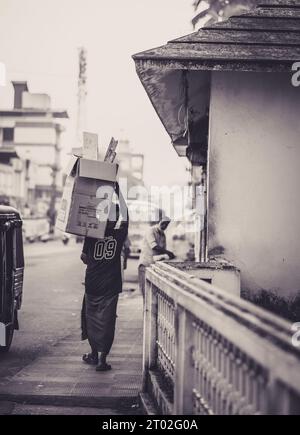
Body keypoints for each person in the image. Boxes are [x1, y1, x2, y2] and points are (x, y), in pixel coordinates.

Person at [80, 184, 128, 372]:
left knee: (90, 319)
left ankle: (93, 353)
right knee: (107, 321)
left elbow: (84, 258)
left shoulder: (91, 235)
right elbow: (127, 216)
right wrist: (118, 191)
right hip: (110, 285)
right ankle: (101, 359)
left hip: (92, 284)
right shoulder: (118, 235)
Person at [138, 216, 175, 298]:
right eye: (163, 223)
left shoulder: (163, 235)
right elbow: (154, 246)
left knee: (152, 295)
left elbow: (161, 251)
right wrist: (168, 252)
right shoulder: (150, 231)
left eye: (167, 224)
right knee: (145, 293)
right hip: (145, 264)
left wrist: (168, 256)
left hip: (153, 266)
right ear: (159, 221)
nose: (165, 226)